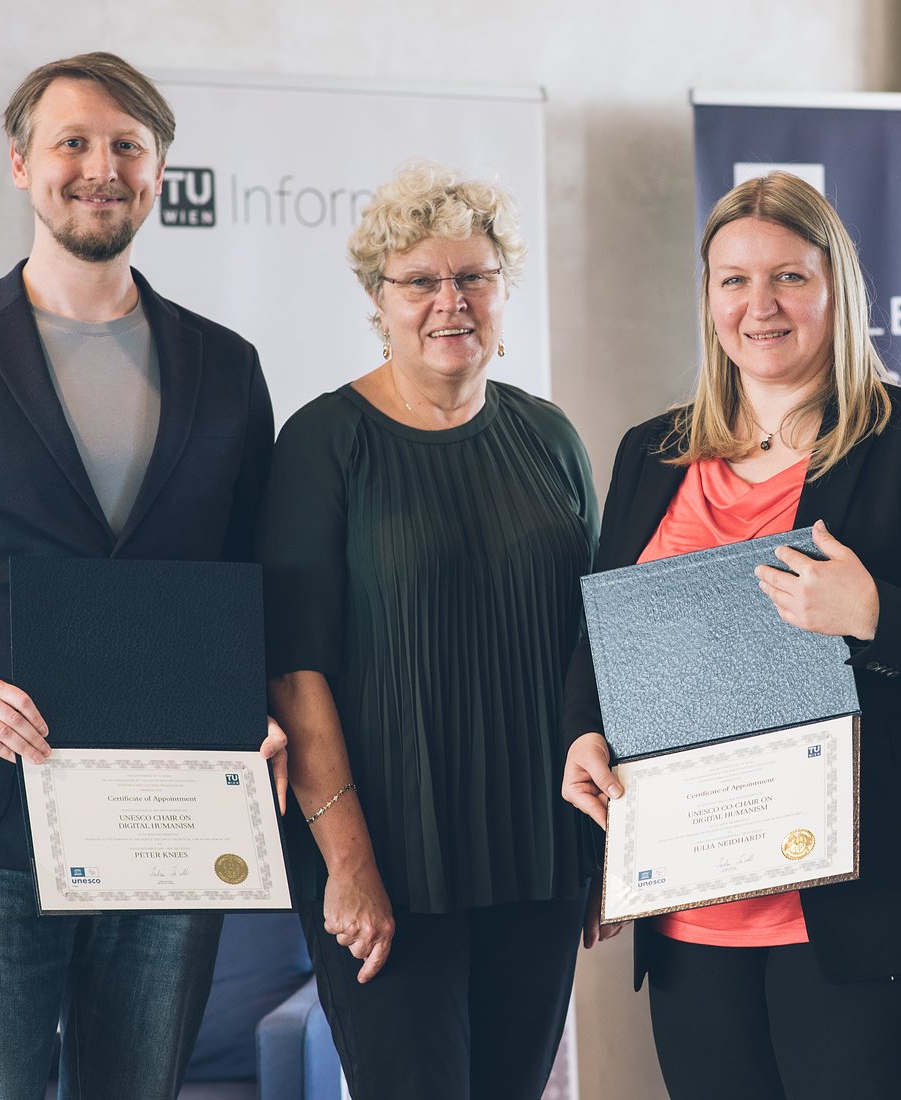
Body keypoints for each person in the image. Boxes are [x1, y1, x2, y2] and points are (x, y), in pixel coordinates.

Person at [561, 171, 901, 1100]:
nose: (759, 305)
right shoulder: (650, 453)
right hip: (694, 913)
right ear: (707, 299)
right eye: (732, 280)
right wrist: (582, 732)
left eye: (788, 277)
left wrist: (874, 616)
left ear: (837, 287)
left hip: (872, 917)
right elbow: (605, 639)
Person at [0, 52, 281, 1100]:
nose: (100, 167)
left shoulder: (227, 367)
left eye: (127, 147)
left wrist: (260, 703)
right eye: (73, 142)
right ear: (20, 164)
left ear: (158, 175)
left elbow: (250, 578)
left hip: (171, 817)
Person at [258, 160, 597, 1100]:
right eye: (420, 281)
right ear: (380, 298)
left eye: (473, 277)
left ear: (501, 290)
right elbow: (296, 674)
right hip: (392, 866)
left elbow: (600, 647)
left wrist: (609, 849)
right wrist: (350, 864)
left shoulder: (551, 438)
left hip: (538, 854)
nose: (450, 301)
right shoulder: (324, 443)